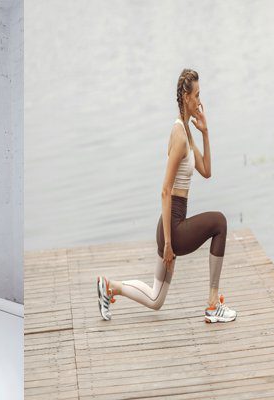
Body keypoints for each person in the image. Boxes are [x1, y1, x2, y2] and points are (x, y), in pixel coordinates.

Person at [96, 69, 236, 324]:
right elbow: (165, 189)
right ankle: (213, 305)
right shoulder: (180, 136)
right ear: (185, 96)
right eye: (196, 95)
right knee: (220, 222)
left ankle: (109, 286)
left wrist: (205, 132)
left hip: (170, 225)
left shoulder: (186, 131)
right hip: (173, 227)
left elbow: (206, 171)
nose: (200, 101)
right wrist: (170, 244)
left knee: (155, 299)